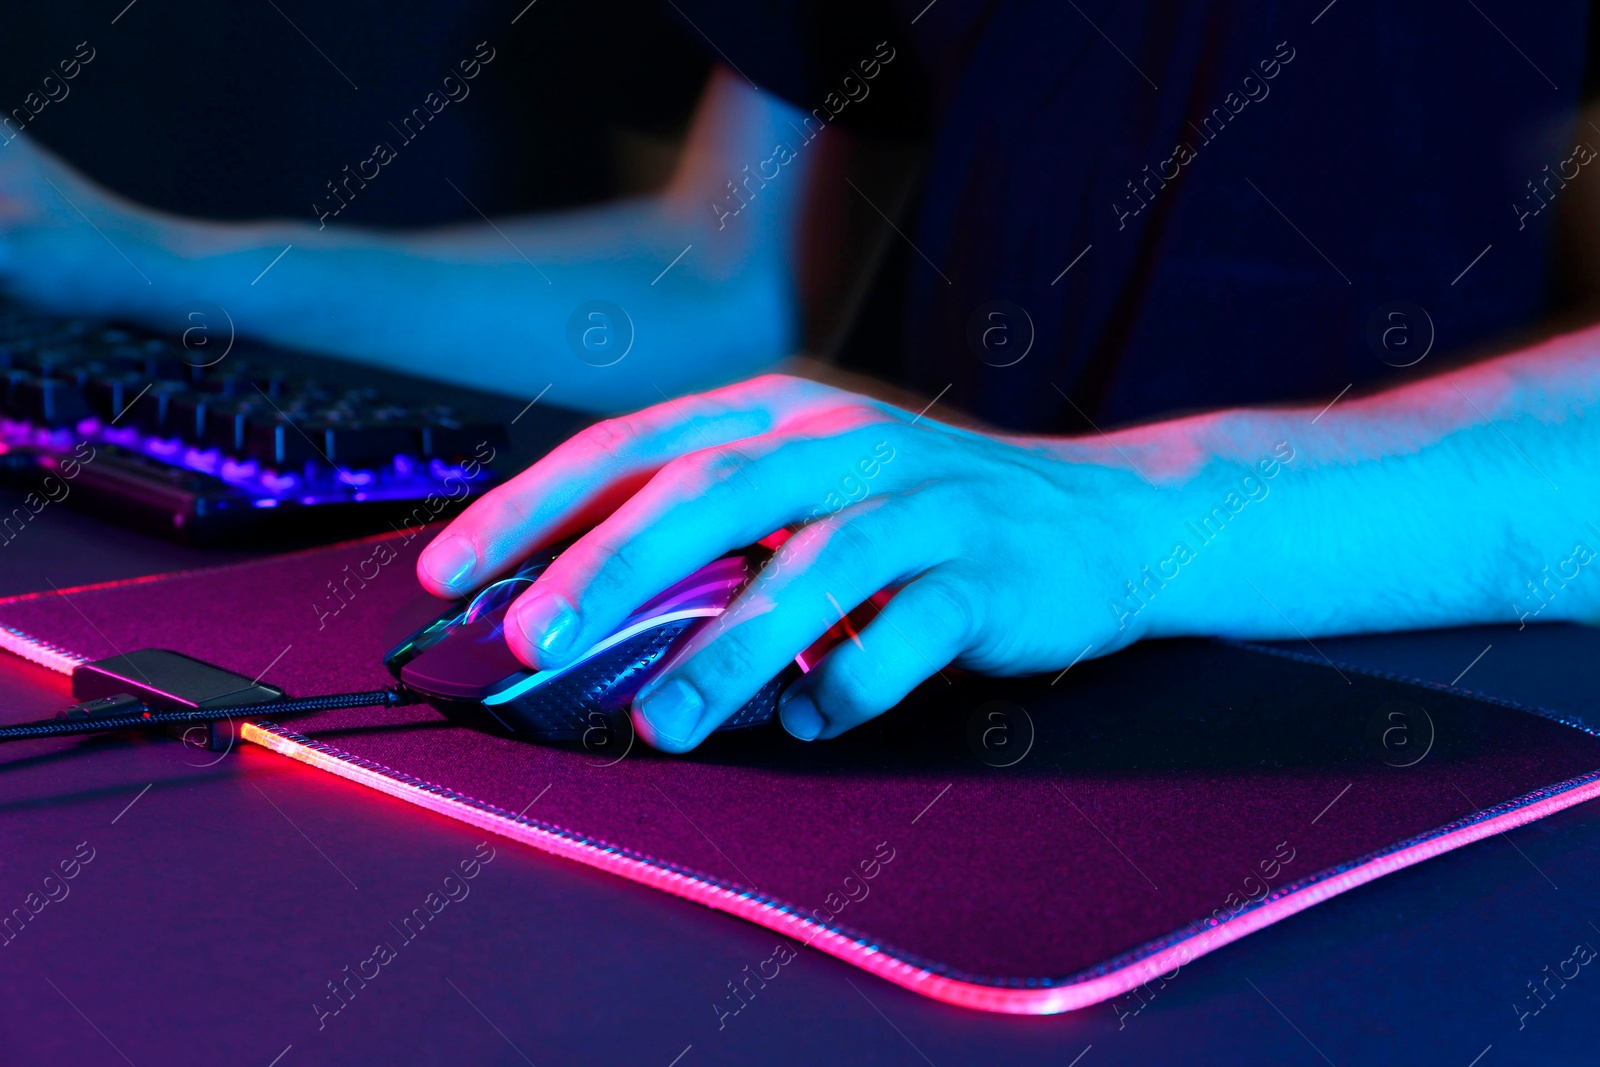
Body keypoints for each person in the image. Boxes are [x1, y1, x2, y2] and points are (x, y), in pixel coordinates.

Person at [1, 3, 1596, 753]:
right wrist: (137, 259)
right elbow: (711, 284)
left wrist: (1126, 516)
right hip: (913, 685)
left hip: (1428, 745)